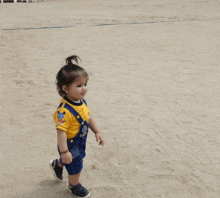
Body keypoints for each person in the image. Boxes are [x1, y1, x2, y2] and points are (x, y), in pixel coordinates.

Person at [49, 55, 104, 198]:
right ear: (65, 88)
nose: (84, 89)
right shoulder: (63, 112)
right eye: (79, 86)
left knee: (72, 161)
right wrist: (64, 151)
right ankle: (74, 186)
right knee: (76, 167)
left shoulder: (81, 102)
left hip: (79, 142)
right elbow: (61, 133)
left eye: (85, 84)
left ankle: (58, 164)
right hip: (69, 144)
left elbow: (88, 118)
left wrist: (97, 132)